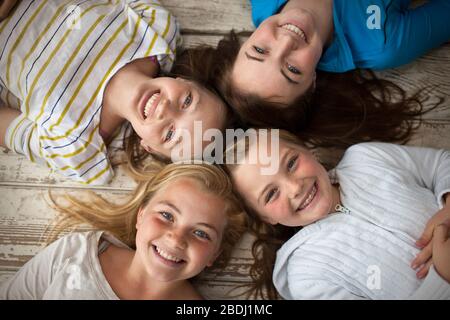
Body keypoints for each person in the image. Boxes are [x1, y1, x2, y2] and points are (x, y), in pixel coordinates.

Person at [0, 0, 230, 185]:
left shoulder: (77, 146)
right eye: (187, 101)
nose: (165, 110)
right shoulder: (156, 31)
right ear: (185, 80)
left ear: (148, 146)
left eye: (170, 135)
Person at [223, 129, 450, 299]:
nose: (295, 187)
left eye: (292, 163)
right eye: (271, 194)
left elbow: (441, 163)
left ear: (308, 151)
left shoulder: (366, 158)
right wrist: (442, 277)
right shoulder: (308, 275)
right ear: (267, 218)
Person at [199, 0, 449, 147]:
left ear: (245, 42)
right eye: (292, 69)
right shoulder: (381, 43)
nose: (286, 41)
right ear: (312, 82)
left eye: (259, 50)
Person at [0, 162, 247, 299]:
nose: (176, 238)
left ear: (213, 255)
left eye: (201, 233)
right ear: (141, 215)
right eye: (166, 215)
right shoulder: (78, 253)